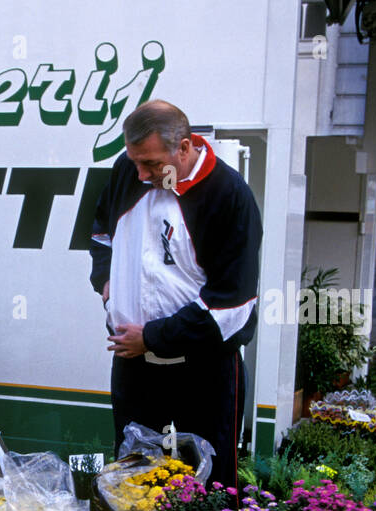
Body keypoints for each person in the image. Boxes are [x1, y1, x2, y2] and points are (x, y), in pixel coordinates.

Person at [88, 100, 262, 487]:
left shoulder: (229, 196)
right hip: (133, 365)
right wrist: (106, 284)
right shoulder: (129, 171)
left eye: (150, 164)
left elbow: (231, 305)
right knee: (132, 480)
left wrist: (150, 338)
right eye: (134, 161)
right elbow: (101, 234)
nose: (140, 173)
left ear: (184, 148)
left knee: (210, 480)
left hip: (204, 369)